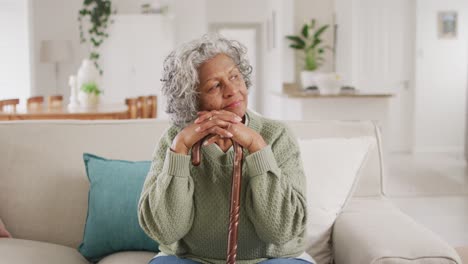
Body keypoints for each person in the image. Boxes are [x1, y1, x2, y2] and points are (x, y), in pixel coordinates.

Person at [138, 34, 313, 264]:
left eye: (235, 77)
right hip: (192, 259)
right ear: (192, 99)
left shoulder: (277, 135)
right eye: (215, 86)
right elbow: (166, 231)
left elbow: (280, 231)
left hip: (271, 259)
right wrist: (180, 150)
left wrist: (257, 147)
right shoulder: (173, 140)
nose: (232, 90)